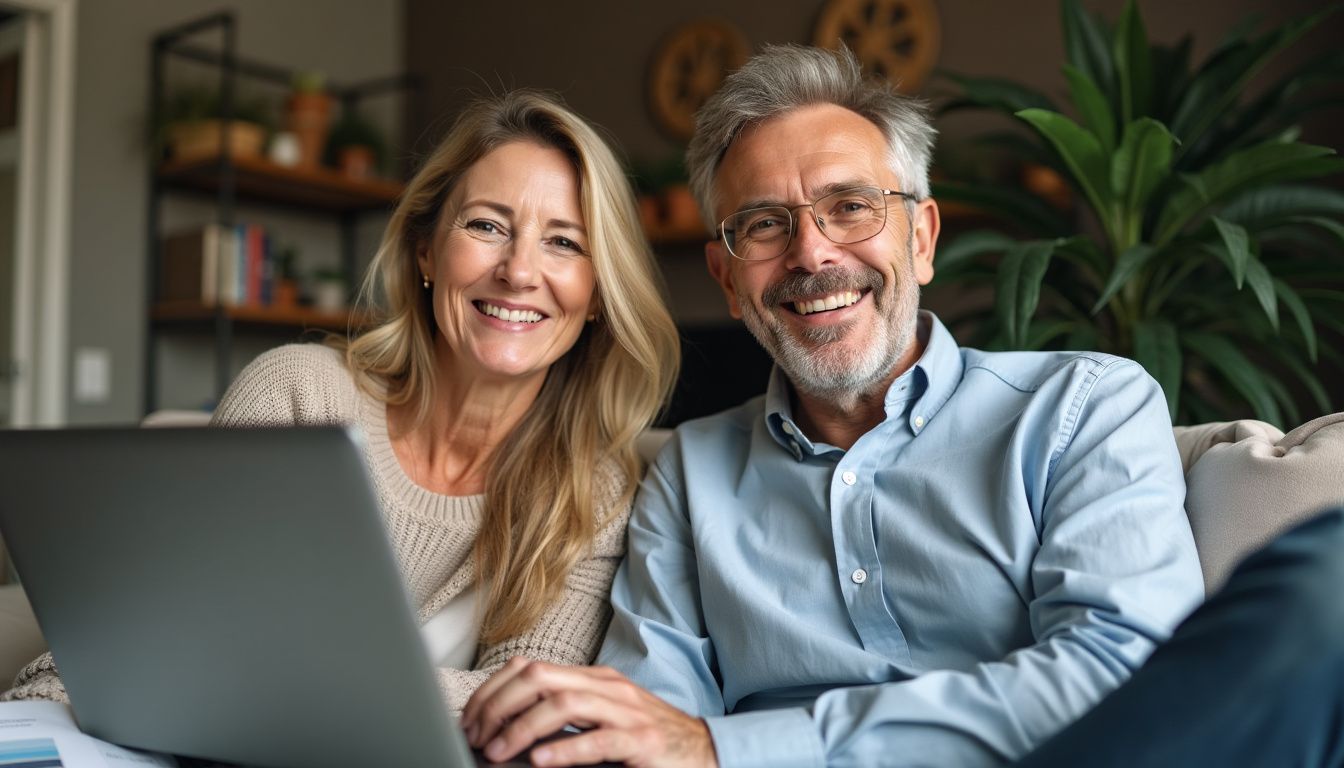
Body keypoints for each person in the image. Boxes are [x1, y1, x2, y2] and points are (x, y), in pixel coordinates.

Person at [458, 46, 1344, 768]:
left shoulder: (1084, 407)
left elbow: (1114, 677)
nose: (811, 253)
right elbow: (643, 725)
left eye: (850, 207)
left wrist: (733, 749)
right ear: (729, 280)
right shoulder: (688, 474)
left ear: (919, 239)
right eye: (764, 225)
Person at [2, 89, 680, 713]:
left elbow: (521, 707)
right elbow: (163, 624)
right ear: (424, 252)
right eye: (487, 226)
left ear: (597, 294)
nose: (520, 271)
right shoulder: (296, 393)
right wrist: (34, 719)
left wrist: (278, 672)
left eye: (564, 242)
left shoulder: (592, 492)